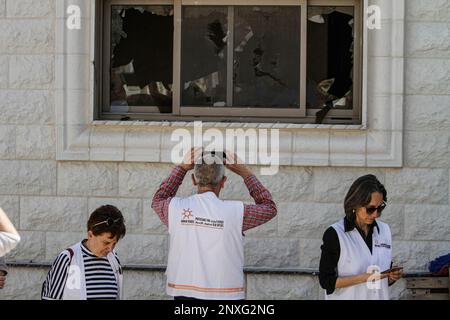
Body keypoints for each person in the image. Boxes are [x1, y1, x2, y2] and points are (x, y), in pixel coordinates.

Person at [151, 149, 277, 300]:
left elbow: (158, 199)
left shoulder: (175, 209)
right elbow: (269, 208)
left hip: (185, 294)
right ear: (223, 182)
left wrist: (182, 168)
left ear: (193, 179)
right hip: (227, 295)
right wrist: (245, 173)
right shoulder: (236, 213)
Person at [319, 174, 403, 300]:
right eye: (370, 209)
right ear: (355, 205)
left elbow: (381, 274)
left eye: (380, 208)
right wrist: (364, 278)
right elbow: (326, 281)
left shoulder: (385, 230)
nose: (376, 214)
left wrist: (390, 277)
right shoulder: (335, 234)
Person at [41, 205, 126, 300]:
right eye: (106, 242)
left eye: (114, 243)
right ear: (90, 235)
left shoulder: (113, 259)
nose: (110, 248)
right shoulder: (68, 259)